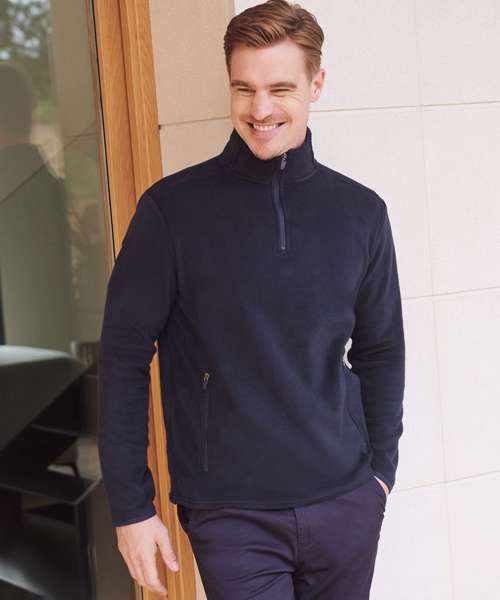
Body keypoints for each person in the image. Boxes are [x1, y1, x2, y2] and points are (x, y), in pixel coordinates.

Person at [97, 0, 405, 598]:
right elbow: (122, 358)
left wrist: (380, 475)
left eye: (280, 89)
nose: (260, 110)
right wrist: (132, 507)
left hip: (346, 502)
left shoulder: (361, 213)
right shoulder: (171, 212)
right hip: (231, 515)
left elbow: (381, 349)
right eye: (245, 89)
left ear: (316, 84)